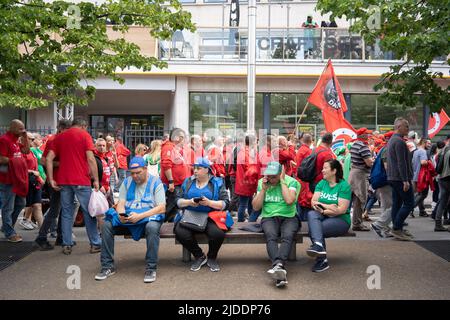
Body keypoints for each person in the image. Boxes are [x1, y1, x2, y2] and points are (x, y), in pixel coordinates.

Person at [96, 157, 166, 282]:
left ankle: (151, 268)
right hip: (129, 219)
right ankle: (107, 266)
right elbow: (121, 203)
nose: (134, 176)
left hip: (146, 219)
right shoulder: (127, 182)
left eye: (138, 172)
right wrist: (120, 215)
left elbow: (161, 208)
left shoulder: (156, 183)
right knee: (106, 225)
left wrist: (140, 216)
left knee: (152, 227)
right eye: (132, 173)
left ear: (145, 169)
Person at [46, 117, 102, 254]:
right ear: (84, 126)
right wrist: (96, 179)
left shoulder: (59, 137)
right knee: (89, 211)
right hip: (81, 179)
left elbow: (48, 159)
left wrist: (51, 178)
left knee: (66, 212)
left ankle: (66, 244)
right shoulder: (85, 135)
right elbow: (90, 159)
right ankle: (95, 243)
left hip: (64, 180)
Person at [174, 157, 230, 272]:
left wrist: (209, 203)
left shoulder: (217, 182)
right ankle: (199, 256)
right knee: (180, 232)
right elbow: (178, 201)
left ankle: (212, 257)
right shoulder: (188, 181)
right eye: (194, 168)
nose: (195, 171)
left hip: (211, 216)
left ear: (206, 169)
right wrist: (189, 202)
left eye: (198, 168)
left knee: (218, 234)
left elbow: (226, 203)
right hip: (190, 215)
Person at [252, 162, 300, 288]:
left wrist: (283, 182)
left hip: (289, 216)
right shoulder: (262, 182)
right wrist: (263, 189)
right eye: (268, 176)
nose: (271, 179)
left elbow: (290, 200)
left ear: (280, 174)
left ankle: (277, 266)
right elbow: (256, 207)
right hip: (269, 216)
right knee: (270, 235)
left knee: (288, 235)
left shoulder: (291, 182)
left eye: (274, 177)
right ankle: (279, 266)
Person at [305, 159, 351, 272]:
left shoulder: (344, 186)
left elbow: (341, 210)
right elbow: (313, 203)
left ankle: (321, 258)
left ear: (334, 171)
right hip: (323, 215)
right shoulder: (322, 183)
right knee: (311, 213)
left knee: (315, 230)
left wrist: (323, 209)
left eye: (325, 168)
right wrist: (330, 207)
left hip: (341, 220)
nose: (322, 170)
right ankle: (319, 249)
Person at [35, 120, 71, 250]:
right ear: (61, 129)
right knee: (55, 209)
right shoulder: (53, 140)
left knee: (64, 209)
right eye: (67, 130)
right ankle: (42, 237)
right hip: (55, 180)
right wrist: (61, 164)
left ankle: (60, 237)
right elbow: (43, 160)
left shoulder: (62, 140)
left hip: (62, 180)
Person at [0, 119, 31, 243]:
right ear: (11, 128)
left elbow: (26, 151)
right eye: (20, 129)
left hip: (17, 178)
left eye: (23, 128)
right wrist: (16, 161)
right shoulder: (4, 140)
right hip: (7, 179)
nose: (22, 131)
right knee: (8, 207)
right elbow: (1, 158)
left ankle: (7, 227)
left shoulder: (16, 140)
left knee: (21, 203)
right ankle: (9, 232)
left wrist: (25, 138)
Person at [386, 118, 414, 241]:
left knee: (397, 203)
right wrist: (405, 180)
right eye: (406, 126)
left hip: (393, 177)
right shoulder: (399, 142)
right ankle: (397, 228)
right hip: (399, 178)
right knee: (409, 203)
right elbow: (401, 163)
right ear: (398, 127)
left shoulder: (393, 140)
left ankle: (397, 228)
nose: (408, 128)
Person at [160, 128, 190, 222]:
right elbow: (166, 164)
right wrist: (171, 181)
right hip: (174, 184)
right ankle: (166, 224)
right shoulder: (168, 147)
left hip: (178, 183)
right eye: (182, 137)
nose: (183, 140)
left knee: (174, 206)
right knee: (172, 205)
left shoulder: (174, 147)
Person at [348, 128, 374, 231]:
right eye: (367, 134)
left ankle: (354, 222)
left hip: (353, 172)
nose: (368, 136)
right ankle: (357, 224)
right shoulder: (363, 146)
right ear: (362, 136)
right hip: (360, 175)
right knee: (360, 200)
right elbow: (368, 163)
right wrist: (373, 160)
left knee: (353, 200)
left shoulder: (355, 144)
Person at [294, 133, 313, 221]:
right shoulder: (307, 151)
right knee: (305, 200)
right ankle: (303, 220)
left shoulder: (301, 149)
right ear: (310, 141)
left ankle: (300, 219)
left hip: (299, 178)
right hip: (305, 179)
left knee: (300, 199)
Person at [411, 138, 432, 217]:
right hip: (422, 176)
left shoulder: (416, 151)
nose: (429, 145)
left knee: (419, 194)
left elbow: (413, 163)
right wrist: (430, 162)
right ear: (423, 143)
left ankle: (422, 211)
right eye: (428, 143)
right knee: (423, 194)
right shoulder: (423, 151)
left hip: (416, 175)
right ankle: (410, 208)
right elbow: (423, 162)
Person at [434, 134, 450, 232]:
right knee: (444, 201)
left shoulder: (443, 150)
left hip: (441, 178)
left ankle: (438, 223)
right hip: (448, 177)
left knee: (443, 201)